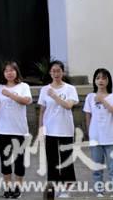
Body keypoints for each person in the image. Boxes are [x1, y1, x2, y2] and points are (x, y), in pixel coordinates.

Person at [0, 61, 32, 199]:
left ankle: (18, 188)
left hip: (19, 129)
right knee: (5, 160)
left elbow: (26, 101)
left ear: (16, 72)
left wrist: (10, 94)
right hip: (3, 129)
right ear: (3, 73)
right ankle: (8, 187)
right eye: (6, 70)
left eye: (12, 70)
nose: (9, 73)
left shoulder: (24, 86)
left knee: (19, 160)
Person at [38, 60, 78, 198]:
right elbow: (42, 111)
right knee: (52, 161)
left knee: (66, 159)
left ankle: (66, 189)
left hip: (65, 129)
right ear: (50, 72)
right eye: (53, 71)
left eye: (58, 71)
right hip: (50, 130)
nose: (56, 73)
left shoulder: (70, 89)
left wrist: (54, 95)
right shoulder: (44, 89)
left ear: (63, 72)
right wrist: (41, 128)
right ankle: (54, 188)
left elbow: (68, 106)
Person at [84, 68, 113, 198]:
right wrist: (89, 133)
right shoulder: (90, 97)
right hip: (96, 137)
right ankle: (99, 191)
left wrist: (103, 100)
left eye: (104, 78)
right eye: (98, 78)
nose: (100, 80)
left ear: (108, 81)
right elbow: (88, 116)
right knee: (97, 167)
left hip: (112, 137)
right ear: (94, 81)